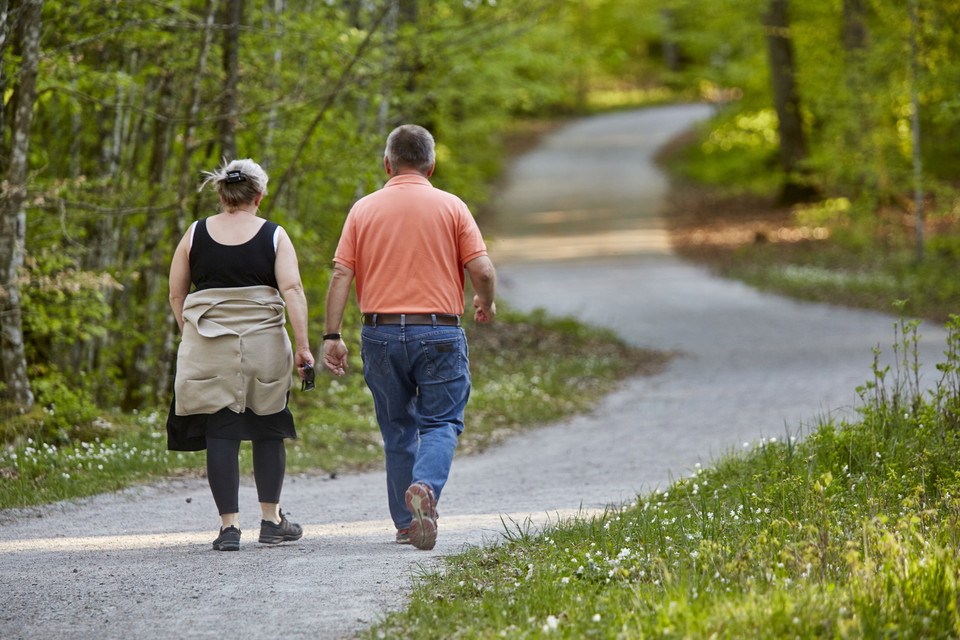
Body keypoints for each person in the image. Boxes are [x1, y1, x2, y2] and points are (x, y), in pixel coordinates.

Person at [322, 124, 497, 550]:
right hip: (438, 331)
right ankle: (425, 488)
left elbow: (342, 273)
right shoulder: (452, 207)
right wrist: (485, 301)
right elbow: (483, 270)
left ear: (388, 164)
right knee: (441, 422)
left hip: (380, 333)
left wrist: (332, 335)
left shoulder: (363, 210)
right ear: (431, 166)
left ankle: (405, 524)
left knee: (397, 428)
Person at [166, 158, 314, 551]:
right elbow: (293, 290)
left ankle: (229, 528)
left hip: (208, 344)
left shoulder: (195, 233)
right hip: (264, 345)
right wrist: (303, 347)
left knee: (220, 430)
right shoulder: (274, 235)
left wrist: (191, 334)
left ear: (221, 194)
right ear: (259, 196)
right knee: (269, 426)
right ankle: (271, 521)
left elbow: (177, 293)